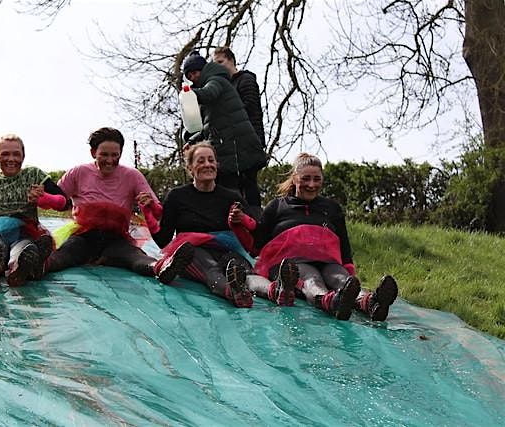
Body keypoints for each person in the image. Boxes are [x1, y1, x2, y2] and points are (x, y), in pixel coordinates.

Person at [243, 153, 399, 321]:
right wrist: (241, 223)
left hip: (327, 262)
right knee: (311, 279)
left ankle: (369, 303)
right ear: (295, 178)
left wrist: (350, 271)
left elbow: (344, 245)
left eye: (317, 179)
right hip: (292, 264)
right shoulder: (277, 207)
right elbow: (257, 245)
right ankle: (330, 301)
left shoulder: (332, 208)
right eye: (306, 179)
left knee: (342, 279)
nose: (311, 185)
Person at [45, 127, 193, 283]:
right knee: (64, 254)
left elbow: (157, 210)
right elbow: (58, 200)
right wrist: (42, 194)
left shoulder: (132, 175)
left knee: (135, 257)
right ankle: (38, 265)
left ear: (121, 153)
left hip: (115, 239)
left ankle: (162, 267)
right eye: (104, 155)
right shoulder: (78, 173)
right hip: (83, 236)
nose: (109, 160)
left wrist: (149, 203)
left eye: (115, 155)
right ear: (93, 153)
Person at [144, 142, 279, 308]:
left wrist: (242, 220)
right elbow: (163, 240)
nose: (207, 164)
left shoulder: (231, 197)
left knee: (242, 270)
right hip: (193, 252)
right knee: (211, 268)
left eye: (211, 160)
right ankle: (233, 293)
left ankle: (275, 291)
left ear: (217, 165)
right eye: (200, 161)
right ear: (190, 168)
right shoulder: (177, 196)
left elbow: (256, 238)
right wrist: (148, 214)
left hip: (226, 250)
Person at [0, 134, 70, 287]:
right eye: (5, 154)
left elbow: (65, 203)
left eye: (16, 154)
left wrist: (44, 198)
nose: (11, 159)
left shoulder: (34, 174)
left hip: (25, 231)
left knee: (25, 248)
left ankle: (19, 270)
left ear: (23, 156)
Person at [182, 50, 267, 214]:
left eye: (194, 72)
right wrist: (191, 139)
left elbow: (209, 93)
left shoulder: (217, 81)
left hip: (238, 148)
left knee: (243, 191)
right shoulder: (212, 91)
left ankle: (254, 223)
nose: (192, 78)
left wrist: (190, 94)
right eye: (188, 75)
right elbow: (207, 126)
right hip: (228, 147)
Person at [213, 46, 266, 148]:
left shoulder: (246, 79)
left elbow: (249, 107)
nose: (218, 67)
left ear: (231, 60)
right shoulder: (223, 87)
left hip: (251, 139)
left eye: (220, 62)